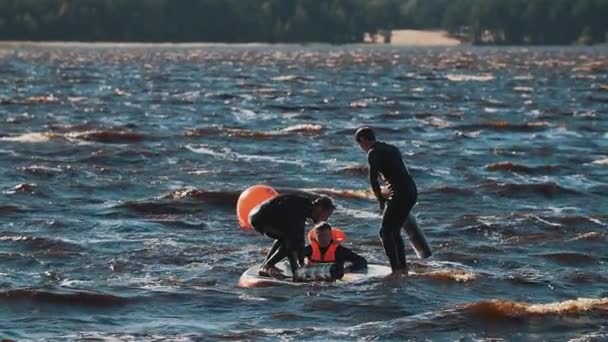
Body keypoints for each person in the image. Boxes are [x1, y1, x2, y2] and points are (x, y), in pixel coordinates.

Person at [354, 126, 418, 275]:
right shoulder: (392, 148)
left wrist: (380, 201)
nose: (361, 148)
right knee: (394, 231)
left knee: (385, 232)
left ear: (363, 140)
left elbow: (373, 180)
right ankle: (402, 268)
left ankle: (396, 270)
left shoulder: (373, 153)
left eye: (359, 144)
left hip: (399, 194)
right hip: (411, 191)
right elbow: (399, 173)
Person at [249, 194, 336, 279]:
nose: (325, 219)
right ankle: (267, 266)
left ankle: (267, 264)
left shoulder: (305, 207)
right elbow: (293, 244)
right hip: (261, 218)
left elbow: (300, 240)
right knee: (290, 240)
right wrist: (296, 270)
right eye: (326, 215)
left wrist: (301, 264)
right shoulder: (300, 210)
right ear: (319, 208)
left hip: (258, 216)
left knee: (286, 237)